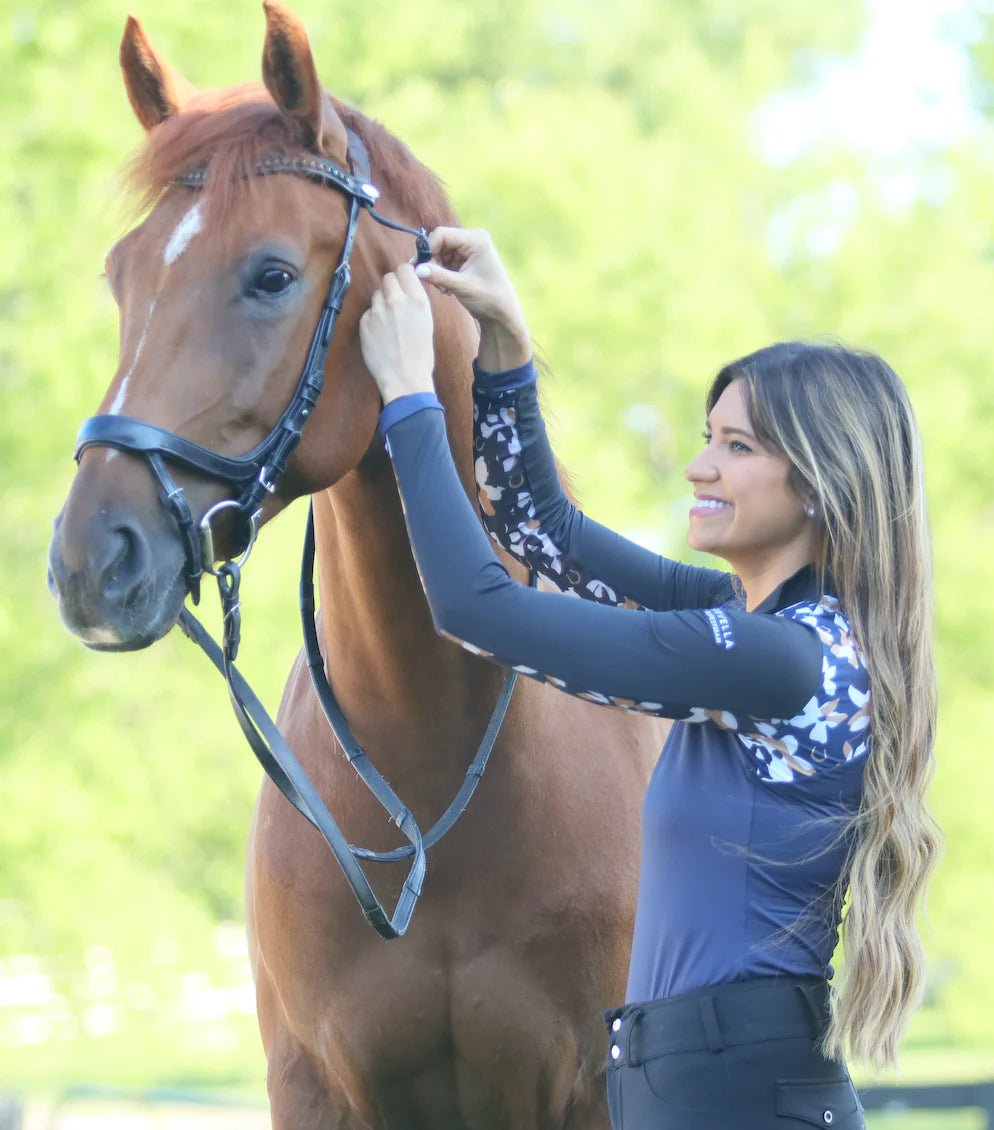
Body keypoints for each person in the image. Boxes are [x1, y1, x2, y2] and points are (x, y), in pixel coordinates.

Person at [358, 228, 939, 1130]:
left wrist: (407, 401)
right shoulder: (757, 633)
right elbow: (538, 531)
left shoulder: (779, 661)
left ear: (822, 483)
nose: (700, 466)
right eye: (709, 437)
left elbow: (480, 609)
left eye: (738, 448)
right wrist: (506, 342)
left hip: (736, 1098)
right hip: (699, 1091)